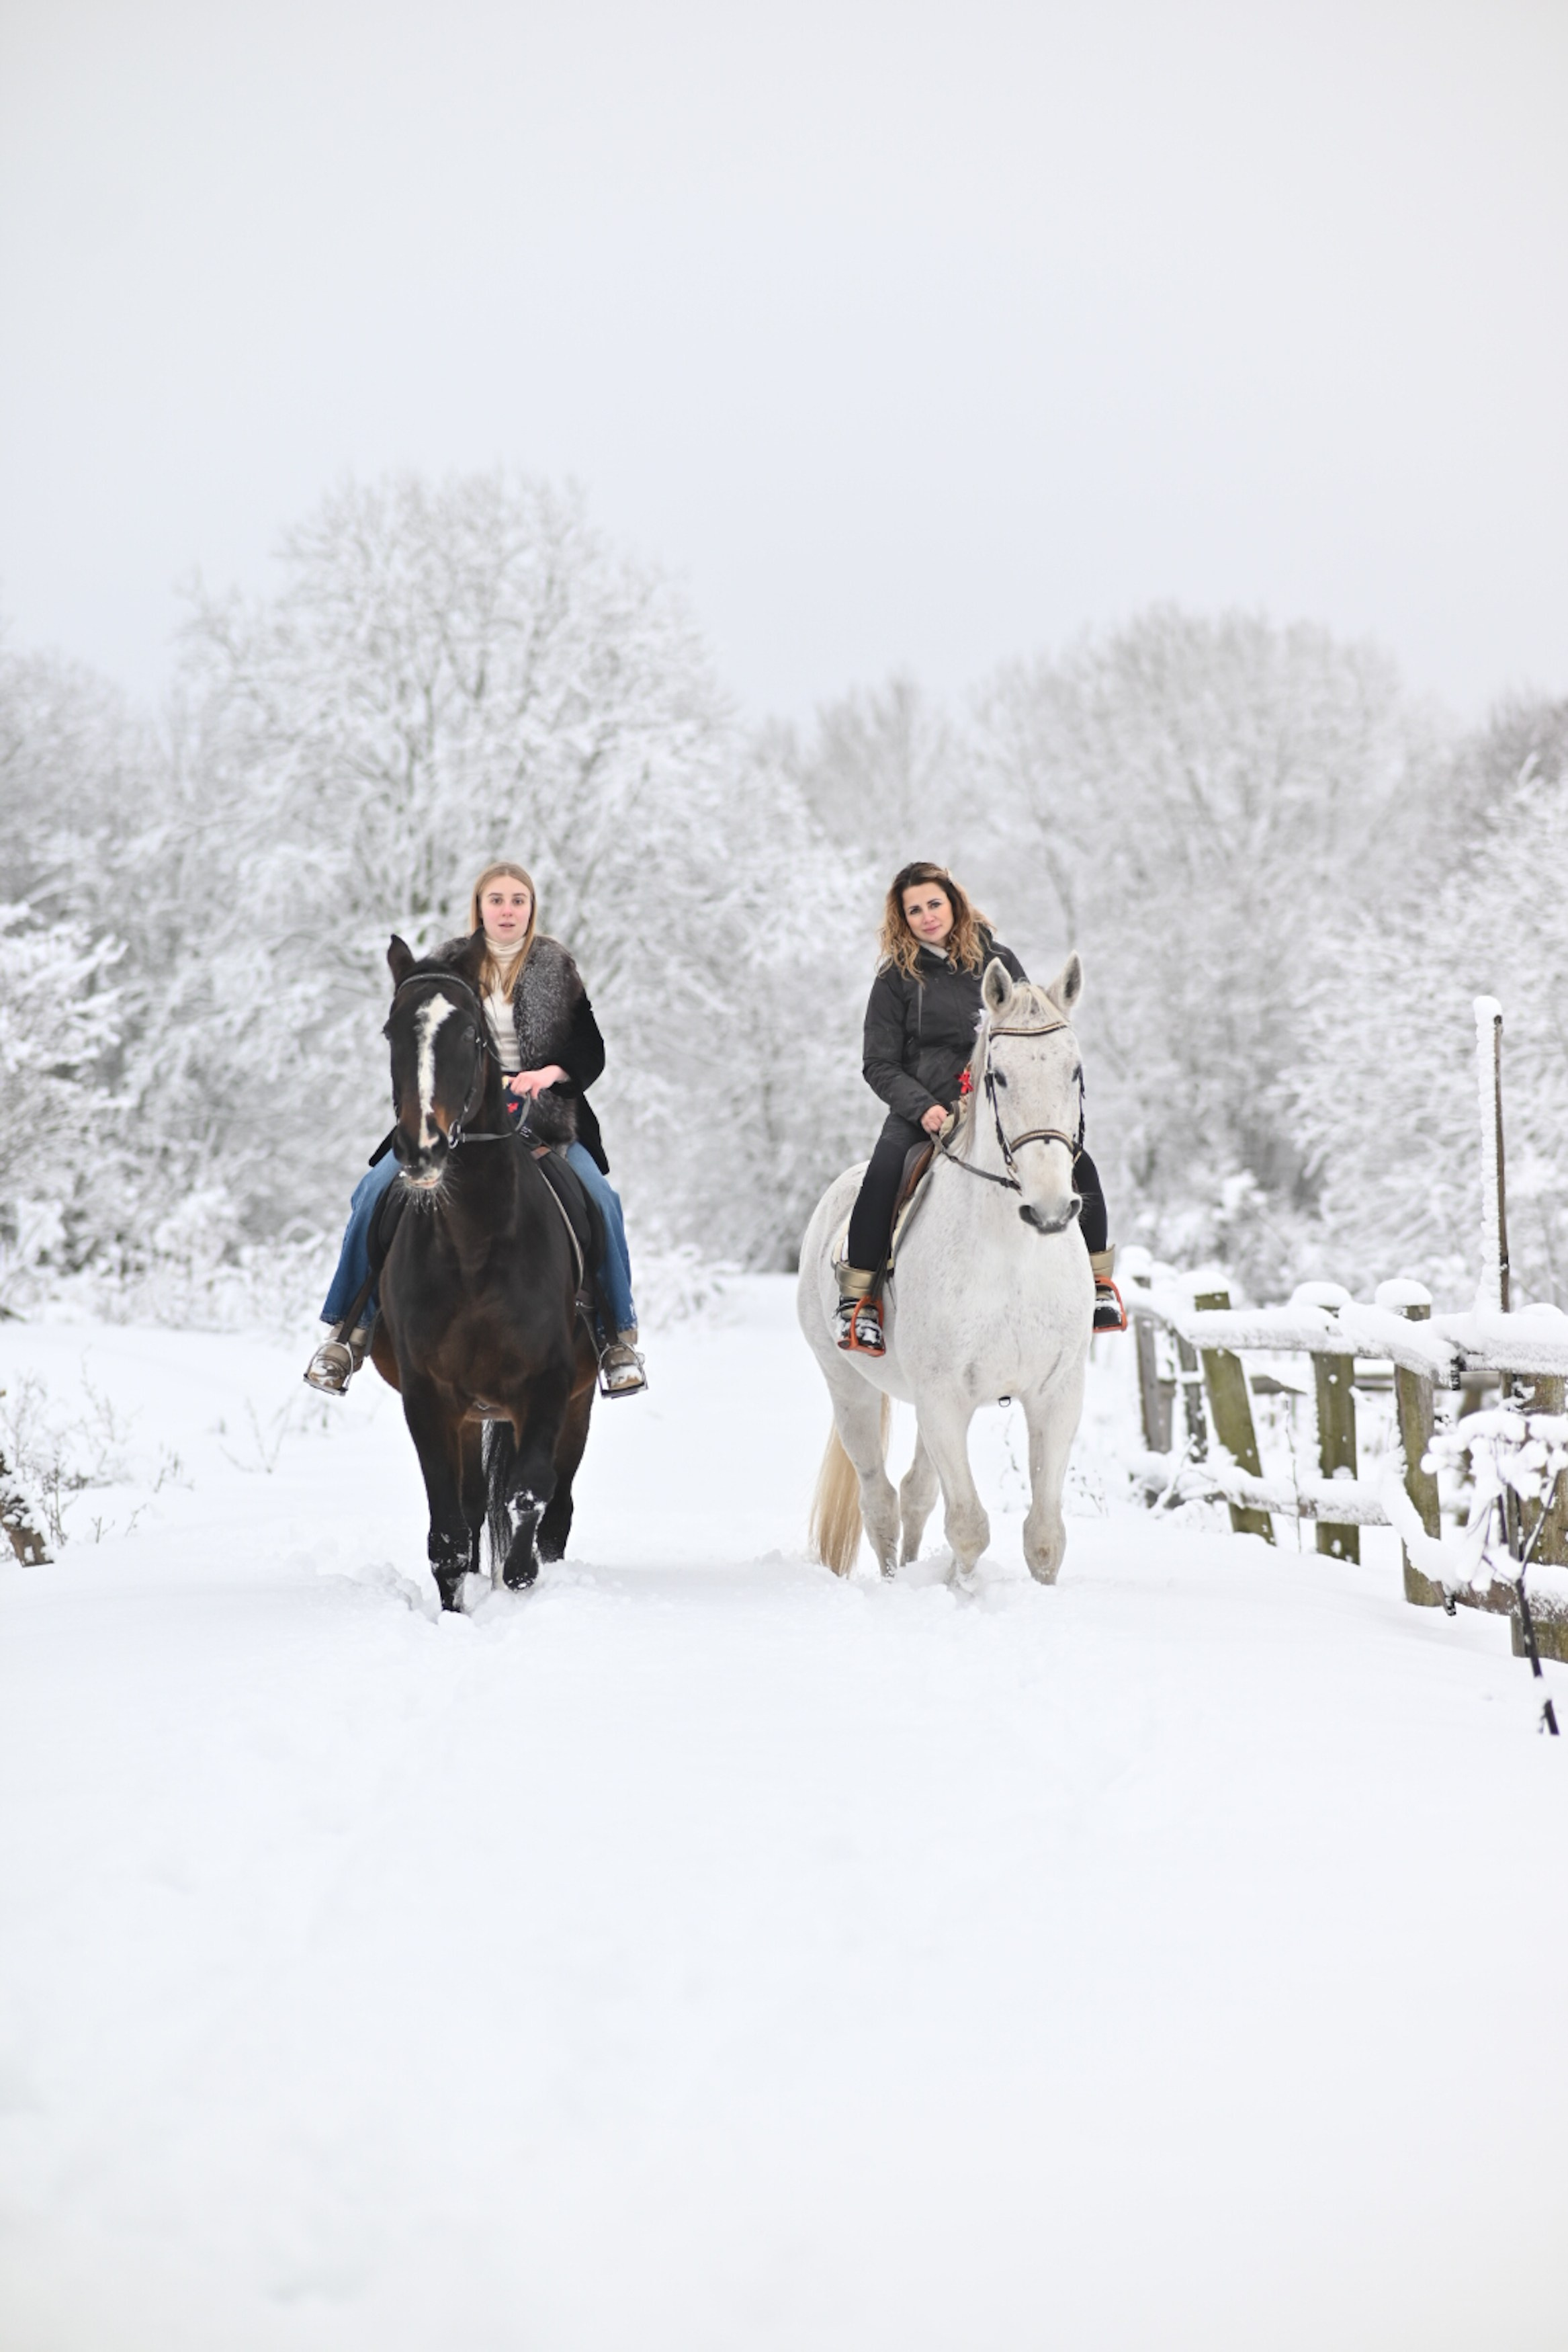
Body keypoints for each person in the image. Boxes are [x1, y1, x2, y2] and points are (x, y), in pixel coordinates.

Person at [303, 861, 647, 1397]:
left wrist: (547, 1076)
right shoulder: (444, 966)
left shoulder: (556, 966)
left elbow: (590, 1048)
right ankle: (347, 1334)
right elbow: (419, 1041)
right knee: (372, 1191)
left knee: (602, 1199)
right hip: (453, 1122)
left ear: (530, 908)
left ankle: (615, 1340)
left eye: (518, 900)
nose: (507, 911)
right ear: (479, 907)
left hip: (546, 1122)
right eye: (497, 900)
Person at [836, 861, 1121, 1353]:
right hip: (924, 1109)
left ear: (954, 903)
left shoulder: (999, 959)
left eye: (934, 904)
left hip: (996, 1104)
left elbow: (1031, 1029)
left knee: (1080, 1165)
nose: (927, 917)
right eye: (914, 911)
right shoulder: (895, 979)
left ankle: (1098, 1286)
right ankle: (859, 1303)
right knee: (883, 1173)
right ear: (903, 919)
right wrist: (922, 1107)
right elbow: (878, 1063)